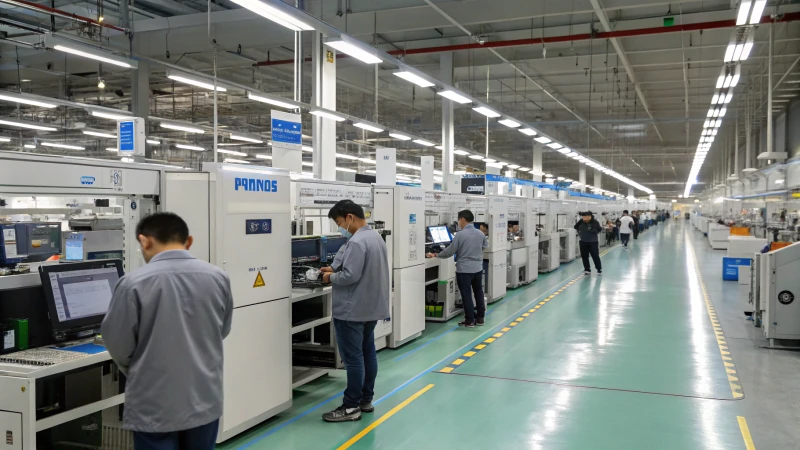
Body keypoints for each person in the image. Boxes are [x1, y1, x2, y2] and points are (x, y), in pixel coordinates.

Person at [102, 212, 233, 450]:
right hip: (204, 398)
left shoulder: (133, 283)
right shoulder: (218, 277)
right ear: (189, 241)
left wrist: (142, 369)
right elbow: (222, 329)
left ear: (144, 241)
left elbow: (118, 345)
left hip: (155, 402)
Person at [320, 200, 390, 422]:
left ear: (350, 217)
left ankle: (350, 407)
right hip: (370, 307)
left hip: (353, 310)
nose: (340, 227)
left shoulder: (358, 242)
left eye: (340, 222)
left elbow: (350, 275)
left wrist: (329, 277)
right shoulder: (375, 237)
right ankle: (365, 400)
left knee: (353, 359)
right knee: (367, 353)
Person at [427, 210, 487, 328]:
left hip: (464, 269)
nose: (459, 223)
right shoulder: (480, 234)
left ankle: (469, 320)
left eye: (459, 220)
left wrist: (436, 255)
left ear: (462, 219)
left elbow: (450, 251)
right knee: (478, 292)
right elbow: (485, 246)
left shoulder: (460, 235)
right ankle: (480, 318)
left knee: (466, 294)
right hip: (478, 268)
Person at [574, 211, 603, 275]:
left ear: (590, 217)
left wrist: (593, 230)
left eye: (586, 217)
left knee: (595, 256)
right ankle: (587, 269)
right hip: (583, 241)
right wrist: (580, 232)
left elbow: (599, 229)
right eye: (584, 217)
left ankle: (599, 269)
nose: (585, 219)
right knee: (584, 256)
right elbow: (575, 226)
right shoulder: (581, 221)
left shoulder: (595, 222)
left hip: (593, 242)